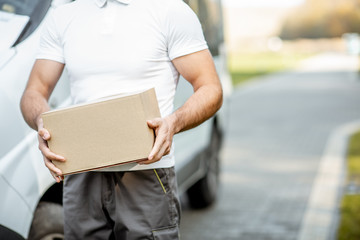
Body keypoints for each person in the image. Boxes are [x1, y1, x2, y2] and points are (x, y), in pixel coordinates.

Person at [20, 0, 223, 239]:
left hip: (146, 170)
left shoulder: (170, 10)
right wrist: (44, 125)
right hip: (82, 172)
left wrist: (174, 122)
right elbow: (34, 92)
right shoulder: (64, 15)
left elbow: (210, 88)